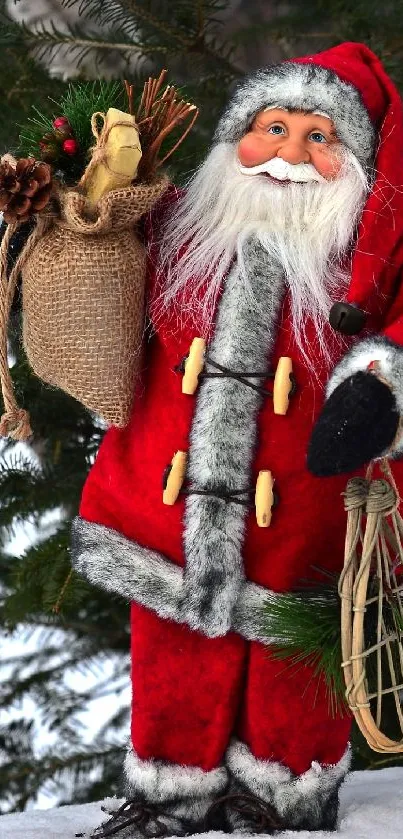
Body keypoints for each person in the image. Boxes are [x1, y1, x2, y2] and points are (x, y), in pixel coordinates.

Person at [72, 42, 403, 835]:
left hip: (306, 522)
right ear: (234, 138)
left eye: (318, 138)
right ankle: (170, 788)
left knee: (294, 672)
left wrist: (380, 380)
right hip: (165, 513)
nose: (288, 154)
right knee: (171, 653)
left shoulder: (365, 263)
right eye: (272, 127)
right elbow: (99, 264)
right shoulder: (180, 224)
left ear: (355, 160)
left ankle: (283, 794)